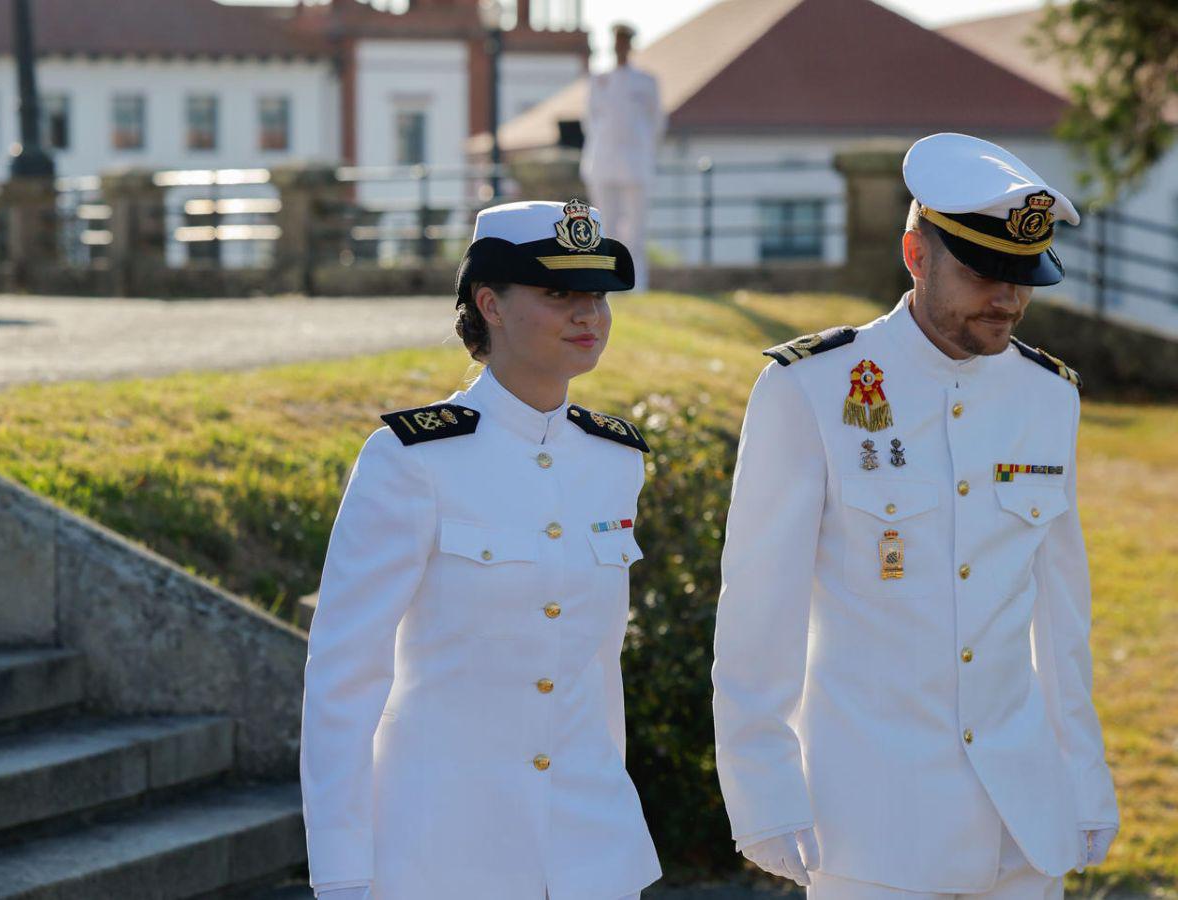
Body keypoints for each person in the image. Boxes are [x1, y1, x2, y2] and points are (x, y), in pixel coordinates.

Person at [712, 132, 1119, 899]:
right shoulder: (811, 388)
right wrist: (763, 791)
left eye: (1023, 276)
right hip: (872, 828)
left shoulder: (1048, 396)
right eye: (983, 272)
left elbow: (1063, 620)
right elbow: (758, 616)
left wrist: (1084, 777)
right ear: (916, 254)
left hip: (1022, 824)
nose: (1007, 298)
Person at [300, 198, 661, 900]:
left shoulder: (615, 460)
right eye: (560, 294)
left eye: (597, 296)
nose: (588, 314)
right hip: (445, 855)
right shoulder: (412, 460)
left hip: (591, 851)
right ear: (490, 304)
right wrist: (343, 874)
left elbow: (597, 670)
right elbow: (344, 678)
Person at [581, 22, 665, 293]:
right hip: (603, 161)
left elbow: (656, 123)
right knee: (606, 225)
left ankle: (637, 283)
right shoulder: (599, 80)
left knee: (636, 229)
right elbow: (590, 120)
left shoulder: (646, 81)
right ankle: (609, 280)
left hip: (636, 162)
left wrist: (644, 151)